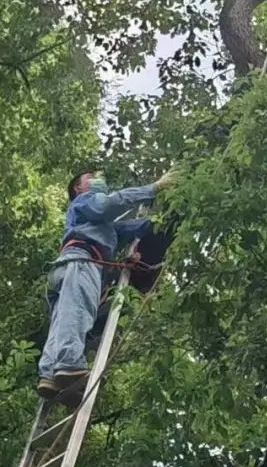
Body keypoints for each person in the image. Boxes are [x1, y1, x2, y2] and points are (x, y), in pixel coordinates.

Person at [37, 168, 174, 403]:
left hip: (67, 267)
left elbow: (137, 227)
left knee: (62, 320)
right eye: (90, 178)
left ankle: (49, 375)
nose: (97, 180)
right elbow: (110, 204)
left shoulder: (103, 228)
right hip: (81, 263)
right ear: (78, 188)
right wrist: (153, 188)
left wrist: (170, 216)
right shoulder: (85, 201)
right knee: (77, 311)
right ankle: (68, 363)